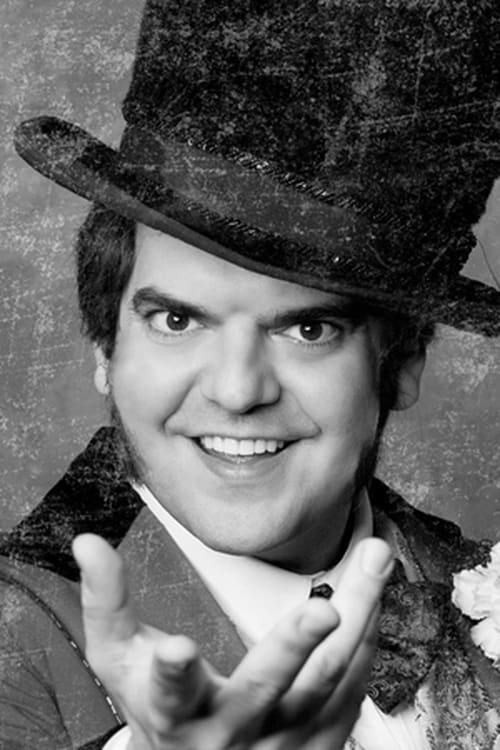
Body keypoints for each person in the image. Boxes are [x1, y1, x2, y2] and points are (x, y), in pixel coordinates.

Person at [1, 1, 500, 748]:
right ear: (105, 349)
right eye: (178, 321)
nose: (237, 391)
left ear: (401, 366)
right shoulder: (15, 640)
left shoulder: (477, 586)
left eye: (308, 330)